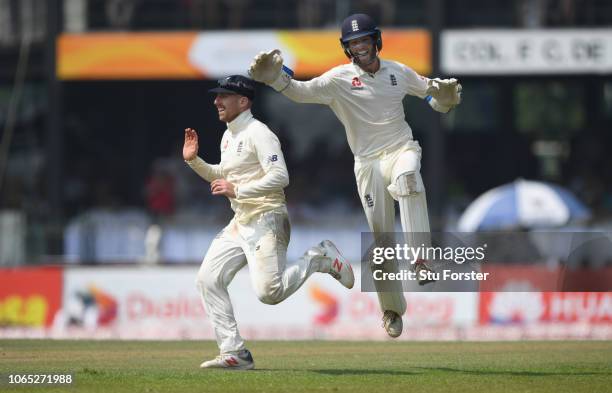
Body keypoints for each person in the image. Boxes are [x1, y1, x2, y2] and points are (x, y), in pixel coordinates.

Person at [248, 14, 462, 338]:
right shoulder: (339, 79)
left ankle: (421, 258)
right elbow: (302, 91)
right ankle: (391, 307)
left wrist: (445, 102)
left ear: (376, 41)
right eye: (353, 43)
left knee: (408, 179)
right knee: (382, 241)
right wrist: (276, 79)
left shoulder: (398, 71)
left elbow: (432, 96)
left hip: (401, 148)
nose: (360, 47)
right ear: (347, 48)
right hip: (367, 163)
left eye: (364, 40)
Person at [184, 75, 354, 370]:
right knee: (207, 280)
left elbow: (280, 177)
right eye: (217, 96)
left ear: (243, 101)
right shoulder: (228, 136)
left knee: (268, 293)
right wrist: (194, 161)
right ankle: (235, 352)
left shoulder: (259, 133)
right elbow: (222, 175)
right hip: (241, 221)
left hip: (268, 218)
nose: (216, 101)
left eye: (223, 96)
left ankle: (319, 258)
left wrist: (238, 190)